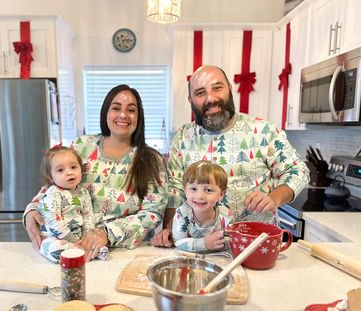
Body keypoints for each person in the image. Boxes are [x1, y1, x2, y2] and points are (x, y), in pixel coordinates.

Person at [151, 65, 309, 247]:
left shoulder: (264, 132)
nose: (211, 98)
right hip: (199, 248)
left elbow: (298, 170)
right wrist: (170, 228)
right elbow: (176, 190)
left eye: (217, 88)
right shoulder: (184, 137)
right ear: (190, 99)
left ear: (229, 89)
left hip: (256, 245)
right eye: (200, 92)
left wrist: (274, 198)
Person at [25, 84, 168, 260]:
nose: (123, 115)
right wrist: (31, 209)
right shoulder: (81, 146)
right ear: (105, 112)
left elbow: (153, 214)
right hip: (71, 247)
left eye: (131, 110)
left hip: (121, 255)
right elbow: (53, 185)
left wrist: (107, 233)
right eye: (116, 108)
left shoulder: (152, 160)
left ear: (139, 117)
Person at [36, 145, 99, 263]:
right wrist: (70, 239)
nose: (69, 172)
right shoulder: (52, 193)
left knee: (94, 244)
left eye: (74, 167)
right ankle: (76, 252)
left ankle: (84, 251)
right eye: (60, 170)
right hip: (54, 237)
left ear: (81, 169)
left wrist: (87, 236)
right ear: (50, 177)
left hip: (78, 237)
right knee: (52, 248)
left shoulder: (83, 192)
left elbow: (88, 215)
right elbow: (52, 219)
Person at [172, 160, 230, 252]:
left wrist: (223, 242)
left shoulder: (226, 215)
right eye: (193, 189)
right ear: (185, 191)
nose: (199, 196)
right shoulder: (182, 213)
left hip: (219, 260)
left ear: (221, 194)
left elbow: (232, 240)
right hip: (189, 261)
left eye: (208, 190)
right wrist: (204, 244)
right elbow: (178, 242)